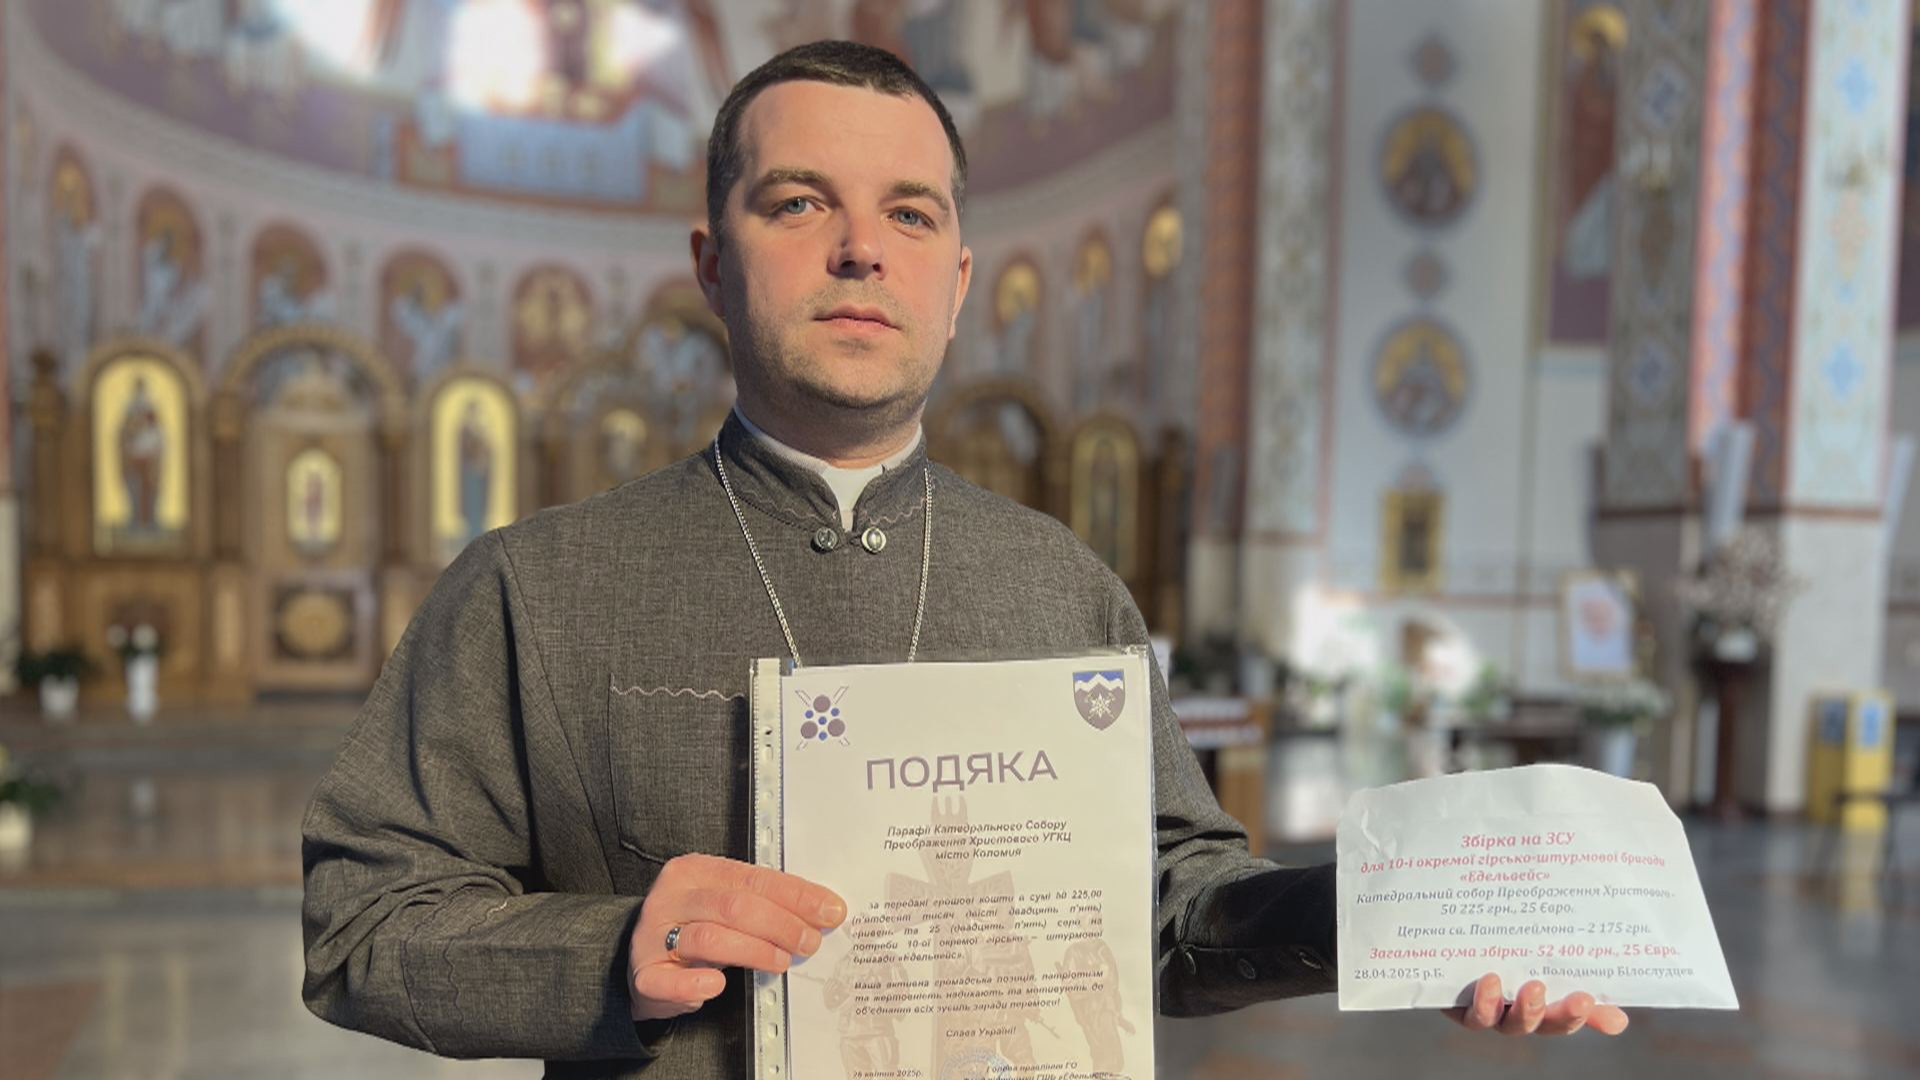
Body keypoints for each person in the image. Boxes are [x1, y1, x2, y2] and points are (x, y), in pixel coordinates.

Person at [302, 41, 1627, 1079]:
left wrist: (1403, 921)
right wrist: (611, 949)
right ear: (711, 263)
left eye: (911, 213)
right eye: (798, 202)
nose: (861, 247)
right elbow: (364, 923)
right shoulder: (535, 588)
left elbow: (1174, 909)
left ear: (958, 280)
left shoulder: (1063, 585)